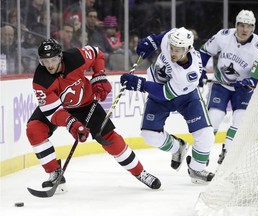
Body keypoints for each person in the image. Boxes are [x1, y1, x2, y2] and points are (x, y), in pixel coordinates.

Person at [26, 38, 161, 192]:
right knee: (34, 129)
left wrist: (99, 75)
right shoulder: (40, 80)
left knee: (110, 137)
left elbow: (97, 53)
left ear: (60, 57)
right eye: (45, 61)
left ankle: (140, 173)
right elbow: (54, 113)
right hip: (59, 108)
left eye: (53, 59)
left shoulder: (75, 57)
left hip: (86, 104)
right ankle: (54, 172)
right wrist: (73, 125)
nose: (49, 65)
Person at [120, 27, 215, 184]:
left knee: (206, 134)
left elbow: (165, 93)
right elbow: (164, 36)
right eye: (171, 48)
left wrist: (140, 84)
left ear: (188, 49)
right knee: (149, 135)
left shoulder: (189, 74)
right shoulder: (172, 40)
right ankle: (177, 148)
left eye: (178, 50)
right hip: (158, 92)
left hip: (185, 97)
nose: (172, 53)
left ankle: (197, 169)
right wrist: (151, 41)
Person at [199, 10, 258, 164]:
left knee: (240, 120)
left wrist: (252, 81)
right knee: (214, 118)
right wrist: (200, 71)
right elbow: (204, 52)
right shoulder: (223, 36)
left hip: (243, 89)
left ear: (253, 28)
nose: (245, 30)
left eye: (249, 26)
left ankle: (228, 155)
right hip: (221, 85)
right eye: (242, 25)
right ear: (236, 25)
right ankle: (202, 156)